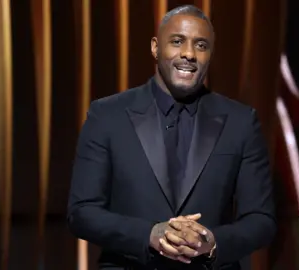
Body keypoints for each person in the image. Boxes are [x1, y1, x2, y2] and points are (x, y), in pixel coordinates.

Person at [67, 4, 276, 270]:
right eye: (177, 42)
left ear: (210, 55)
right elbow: (81, 212)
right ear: (155, 48)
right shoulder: (107, 115)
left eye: (201, 45)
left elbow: (261, 219)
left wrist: (212, 242)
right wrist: (149, 235)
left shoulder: (241, 122)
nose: (189, 54)